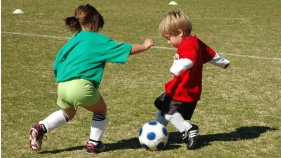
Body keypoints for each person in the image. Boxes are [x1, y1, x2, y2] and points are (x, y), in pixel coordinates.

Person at [28, 4, 154, 154]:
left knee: (68, 113)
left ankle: (40, 127)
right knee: (101, 110)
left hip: (62, 86)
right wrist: (144, 46)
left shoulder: (73, 40)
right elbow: (123, 49)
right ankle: (93, 144)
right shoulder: (98, 40)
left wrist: (61, 79)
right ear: (94, 22)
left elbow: (57, 62)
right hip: (81, 86)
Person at [154, 10, 230, 150]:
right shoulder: (195, 41)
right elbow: (211, 54)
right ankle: (157, 129)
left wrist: (177, 68)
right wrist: (223, 62)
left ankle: (188, 129)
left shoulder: (188, 45)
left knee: (168, 110)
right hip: (186, 88)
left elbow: (189, 60)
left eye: (169, 38)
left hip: (183, 89)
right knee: (162, 104)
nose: (168, 42)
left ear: (180, 32)